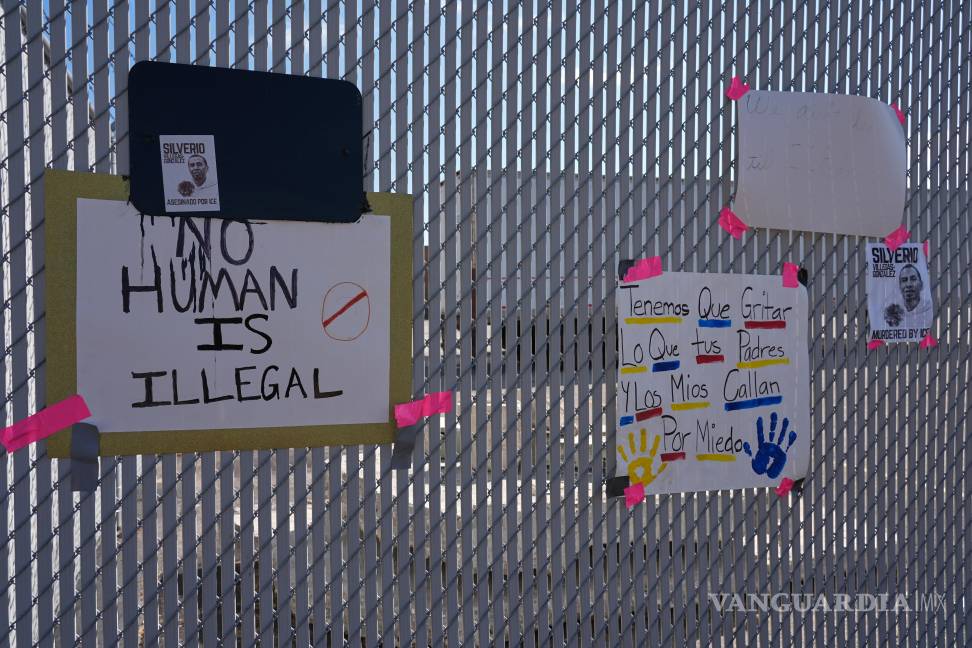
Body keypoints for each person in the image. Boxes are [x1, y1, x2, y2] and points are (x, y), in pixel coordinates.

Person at [883, 263, 931, 329]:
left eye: (913, 279)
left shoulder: (928, 308)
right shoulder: (893, 311)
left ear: (921, 284)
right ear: (899, 287)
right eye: (904, 280)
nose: (908, 284)